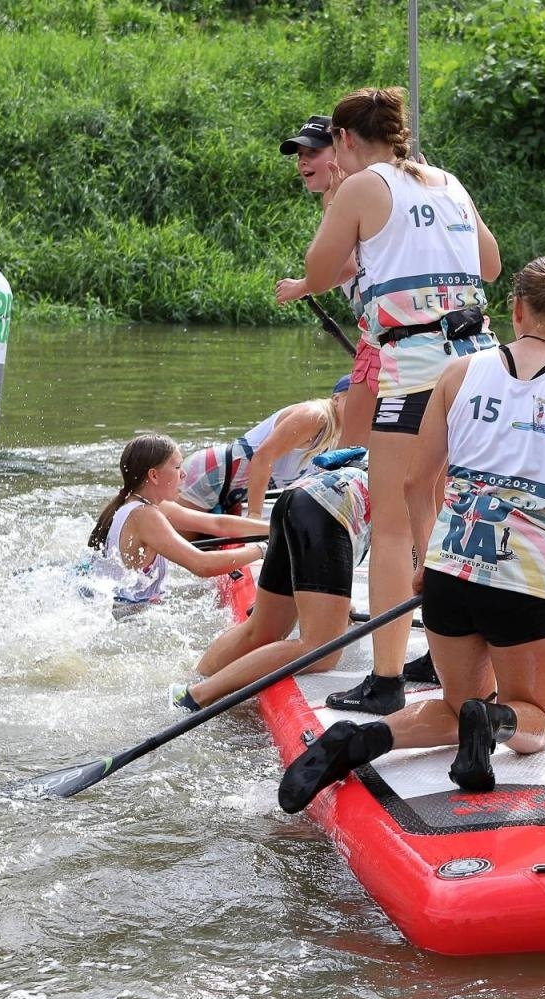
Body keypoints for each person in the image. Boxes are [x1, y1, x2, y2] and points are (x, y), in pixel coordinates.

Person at [276, 256, 545, 814]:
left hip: (449, 572)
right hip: (524, 586)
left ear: (515, 310)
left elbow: (417, 482)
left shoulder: (458, 373)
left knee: (455, 704)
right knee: (539, 721)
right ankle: (493, 721)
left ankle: (359, 739)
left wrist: (426, 558)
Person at [275, 86, 502, 716]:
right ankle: (448, 650)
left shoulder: (360, 186)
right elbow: (489, 266)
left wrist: (309, 268)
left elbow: (320, 271)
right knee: (444, 510)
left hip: (416, 370)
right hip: (479, 368)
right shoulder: (450, 182)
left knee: (396, 522)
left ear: (345, 140)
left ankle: (385, 679)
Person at [170, 458, 370, 712]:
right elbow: (392, 556)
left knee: (262, 630)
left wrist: (338, 603)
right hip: (328, 511)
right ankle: (197, 694)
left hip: (298, 498)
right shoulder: (418, 476)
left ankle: (187, 684)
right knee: (321, 650)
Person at [281, 114, 379, 448]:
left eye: (313, 152)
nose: (302, 162)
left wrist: (303, 285)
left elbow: (346, 266)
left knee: (355, 441)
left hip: (384, 332)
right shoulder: (350, 189)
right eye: (299, 155)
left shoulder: (345, 192)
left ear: (340, 149)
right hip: (380, 328)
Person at [88, 433, 267, 602]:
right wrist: (263, 548)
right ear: (154, 475)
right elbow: (202, 565)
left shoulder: (148, 505)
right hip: (127, 613)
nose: (184, 474)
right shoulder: (145, 515)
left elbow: (218, 524)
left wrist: (274, 528)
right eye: (177, 467)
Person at [177, 378, 348, 523]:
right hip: (211, 475)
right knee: (175, 548)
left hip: (234, 493)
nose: (359, 408)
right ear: (336, 399)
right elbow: (263, 457)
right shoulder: (316, 416)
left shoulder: (338, 433)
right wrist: (255, 517)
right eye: (353, 400)